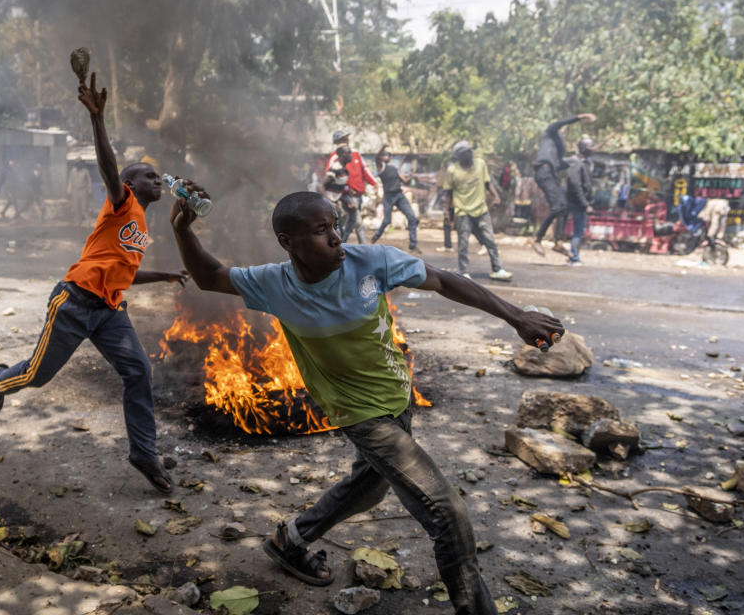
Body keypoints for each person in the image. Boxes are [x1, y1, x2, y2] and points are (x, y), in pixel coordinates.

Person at [169, 188, 564, 615]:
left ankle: (291, 541)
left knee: (368, 488)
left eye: (336, 225)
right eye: (322, 231)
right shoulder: (274, 284)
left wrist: (516, 316)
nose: (337, 237)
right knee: (448, 514)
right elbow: (210, 276)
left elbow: (446, 280)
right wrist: (182, 230)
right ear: (288, 241)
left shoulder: (371, 261)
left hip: (397, 397)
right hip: (361, 416)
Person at [0, 72, 189, 495]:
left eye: (157, 176)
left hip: (110, 311)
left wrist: (166, 275)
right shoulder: (122, 202)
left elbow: (124, 274)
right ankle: (0, 379)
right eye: (149, 175)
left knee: (138, 372)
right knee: (38, 376)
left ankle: (144, 454)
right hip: (74, 303)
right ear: (131, 185)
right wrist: (98, 119)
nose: (157, 180)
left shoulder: (141, 227)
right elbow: (108, 165)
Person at [443, 141, 512, 281]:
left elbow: (488, 183)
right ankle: (464, 272)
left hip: (481, 209)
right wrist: (446, 211)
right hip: (462, 211)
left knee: (490, 239)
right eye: (466, 152)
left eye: (470, 150)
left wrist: (496, 196)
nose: (470, 153)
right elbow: (448, 193)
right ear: (460, 155)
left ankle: (497, 269)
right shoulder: (452, 171)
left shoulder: (480, 164)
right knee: (463, 243)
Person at [530, 113, 596, 256]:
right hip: (544, 172)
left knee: (563, 207)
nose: (564, 130)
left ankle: (559, 242)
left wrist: (575, 161)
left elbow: (559, 165)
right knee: (557, 207)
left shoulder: (557, 146)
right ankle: (537, 239)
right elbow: (561, 122)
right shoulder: (550, 132)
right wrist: (582, 116)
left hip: (551, 174)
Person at [325, 130, 377, 243]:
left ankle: (343, 242)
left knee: (352, 220)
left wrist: (374, 183)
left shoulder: (355, 154)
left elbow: (365, 169)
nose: (346, 141)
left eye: (346, 138)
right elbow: (329, 181)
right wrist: (332, 199)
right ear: (337, 142)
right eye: (343, 139)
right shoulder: (336, 159)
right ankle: (363, 246)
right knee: (357, 222)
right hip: (344, 196)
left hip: (356, 193)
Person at [370, 149, 421, 254]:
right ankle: (375, 237)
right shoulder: (381, 168)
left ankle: (413, 245)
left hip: (399, 194)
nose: (388, 157)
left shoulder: (393, 168)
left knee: (411, 216)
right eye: (385, 155)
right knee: (387, 221)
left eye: (389, 155)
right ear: (381, 158)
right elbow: (376, 157)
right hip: (389, 196)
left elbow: (404, 180)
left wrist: (410, 175)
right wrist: (383, 146)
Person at [565, 137, 595, 267]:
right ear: (584, 148)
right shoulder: (576, 162)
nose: (593, 149)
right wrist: (585, 204)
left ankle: (575, 256)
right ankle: (574, 258)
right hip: (578, 203)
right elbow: (575, 185)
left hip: (580, 202)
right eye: (591, 147)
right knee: (578, 230)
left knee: (580, 230)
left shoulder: (585, 163)